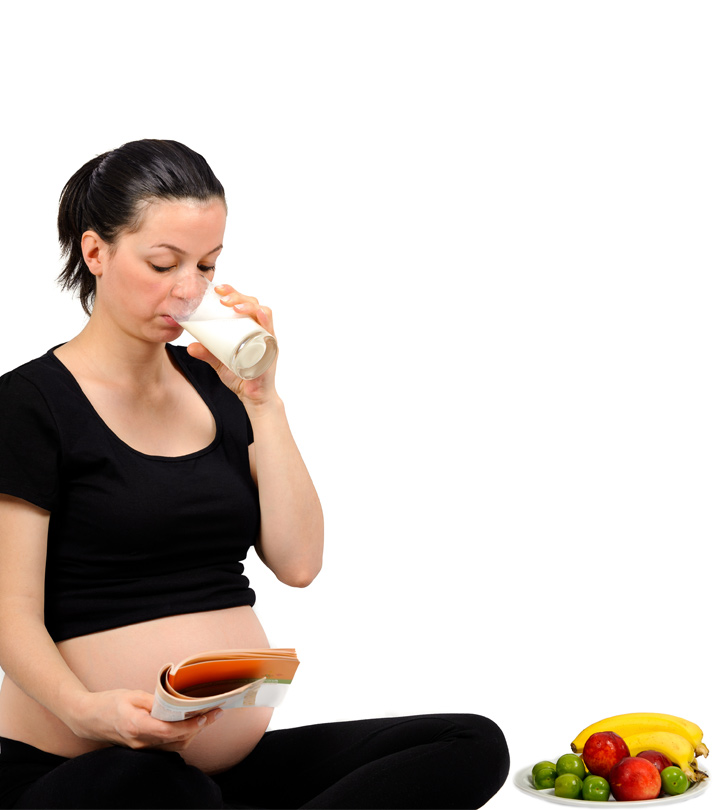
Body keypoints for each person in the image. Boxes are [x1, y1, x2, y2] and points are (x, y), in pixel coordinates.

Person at [0, 139, 509, 809]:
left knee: (470, 744)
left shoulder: (216, 390)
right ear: (96, 253)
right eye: (163, 263)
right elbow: (10, 614)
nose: (189, 290)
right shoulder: (29, 403)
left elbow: (298, 562)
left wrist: (263, 400)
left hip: (215, 777)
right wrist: (88, 710)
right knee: (167, 789)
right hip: (85, 769)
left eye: (207, 265)